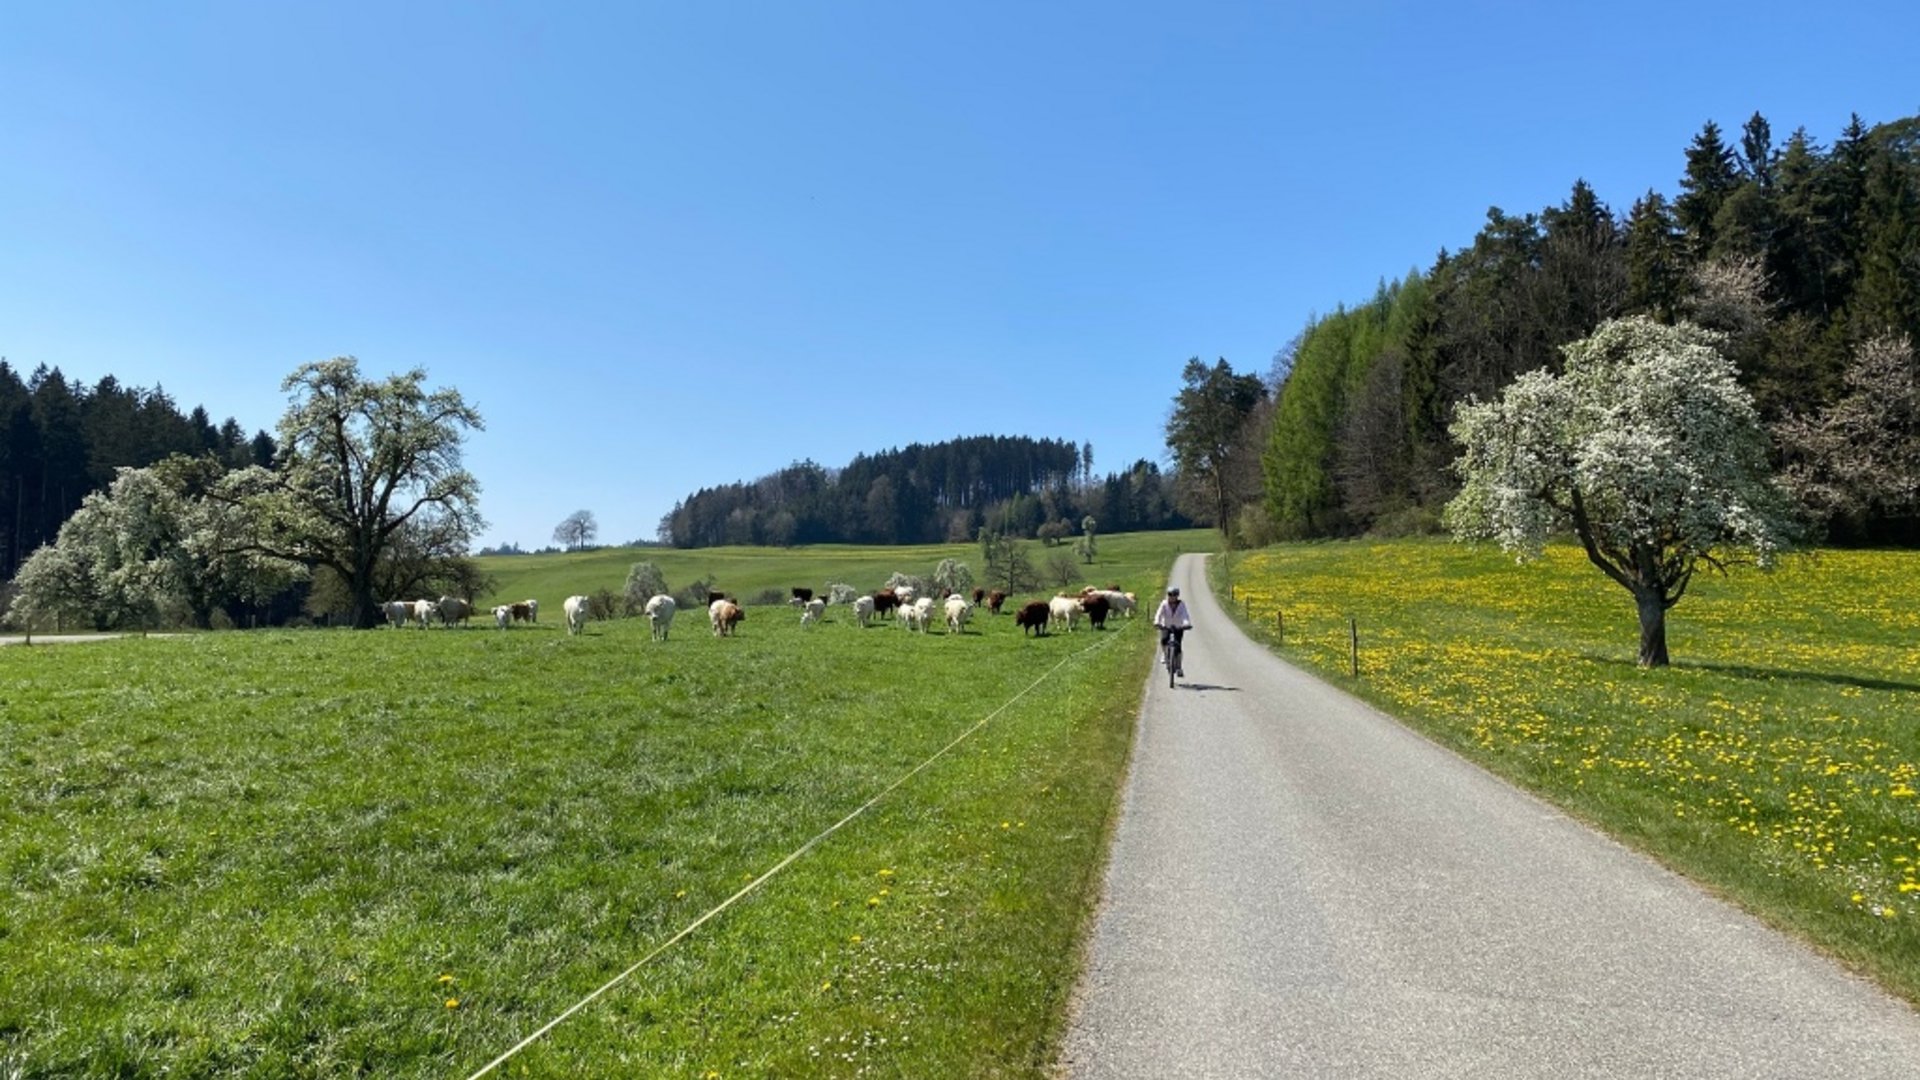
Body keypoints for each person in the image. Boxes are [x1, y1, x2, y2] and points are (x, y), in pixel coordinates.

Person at [1153, 586, 1192, 676]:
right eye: (1170, 594)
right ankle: (1165, 654)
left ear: (1177, 596)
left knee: (1178, 647)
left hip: (1178, 627)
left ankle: (1179, 667)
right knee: (1164, 640)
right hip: (1166, 626)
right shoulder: (1164, 604)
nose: (1172, 597)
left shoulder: (1181, 604)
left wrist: (1186, 624)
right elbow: (1159, 613)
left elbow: (1185, 615)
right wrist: (1157, 622)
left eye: (1174, 595)